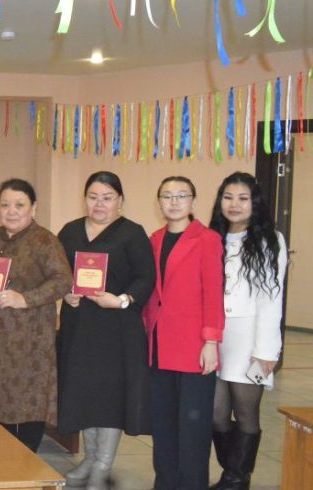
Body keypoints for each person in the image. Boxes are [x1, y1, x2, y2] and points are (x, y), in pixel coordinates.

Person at [56, 171, 155, 487]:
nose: (99, 204)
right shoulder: (70, 231)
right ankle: (89, 457)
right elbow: (58, 272)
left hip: (117, 328)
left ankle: (103, 463)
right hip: (79, 326)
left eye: (107, 198)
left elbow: (146, 278)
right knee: (84, 391)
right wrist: (65, 292)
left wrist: (122, 300)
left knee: (110, 396)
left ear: (120, 201)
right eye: (93, 197)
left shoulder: (132, 233)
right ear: (84, 199)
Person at [0, 178, 72, 452]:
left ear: (33, 208)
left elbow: (63, 280)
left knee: (27, 399)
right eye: (5, 205)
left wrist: (25, 298)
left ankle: (25, 461)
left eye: (19, 205)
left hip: (28, 341)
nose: (11, 211)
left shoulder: (45, 241)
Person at [143, 176, 224, 490]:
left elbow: (213, 293)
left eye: (181, 195)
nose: (174, 202)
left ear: (193, 201)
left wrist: (211, 340)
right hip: (159, 345)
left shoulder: (207, 239)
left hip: (193, 346)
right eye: (167, 196)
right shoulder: (154, 239)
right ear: (159, 202)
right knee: (163, 426)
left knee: (193, 430)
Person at [207, 172, 287, 490]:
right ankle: (234, 472)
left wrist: (266, 351)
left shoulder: (270, 240)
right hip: (215, 337)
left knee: (246, 412)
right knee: (216, 413)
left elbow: (272, 299)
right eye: (228, 197)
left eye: (243, 198)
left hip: (250, 338)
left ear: (255, 203)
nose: (234, 204)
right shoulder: (212, 237)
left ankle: (236, 479)